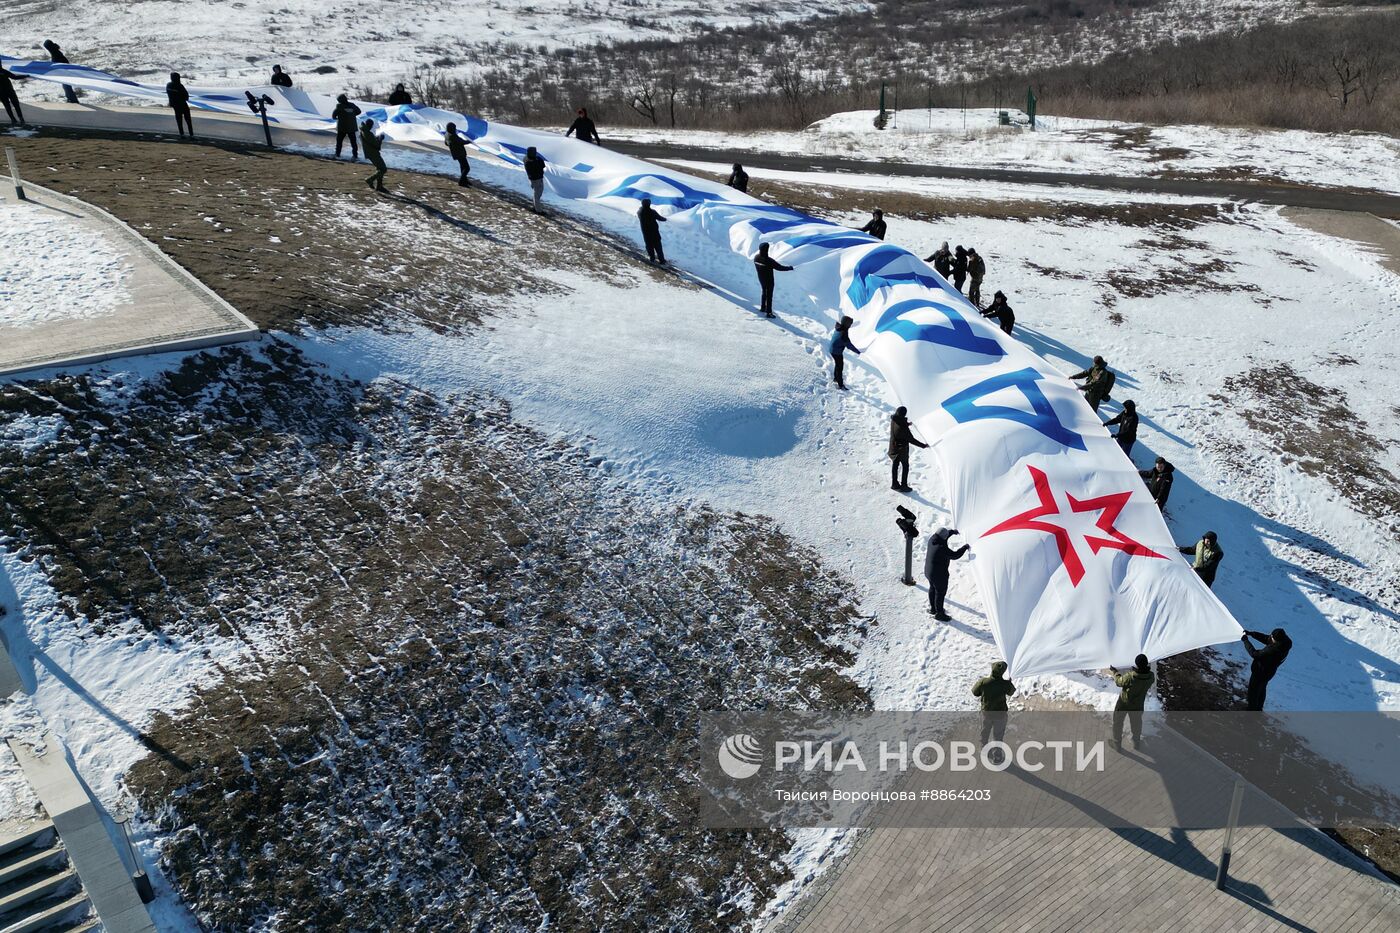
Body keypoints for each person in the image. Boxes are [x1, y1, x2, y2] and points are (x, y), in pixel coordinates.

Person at [1110, 654, 1154, 750]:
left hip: (1123, 703)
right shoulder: (1151, 676)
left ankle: (1117, 744)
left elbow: (1119, 682)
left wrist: (1115, 672)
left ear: (1137, 665)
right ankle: (1136, 742)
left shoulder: (1131, 676)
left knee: (1118, 722)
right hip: (1138, 705)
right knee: (1136, 724)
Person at [972, 660, 1016, 757]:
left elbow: (975, 692)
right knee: (998, 735)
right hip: (1000, 715)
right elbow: (1011, 692)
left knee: (985, 731)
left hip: (986, 714)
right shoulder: (1005, 684)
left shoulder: (983, 682)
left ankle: (984, 748)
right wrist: (1009, 683)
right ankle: (997, 754)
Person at [925, 527, 969, 621]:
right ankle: (940, 614)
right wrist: (964, 547)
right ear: (943, 538)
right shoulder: (941, 548)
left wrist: (952, 532)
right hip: (938, 575)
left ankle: (933, 609)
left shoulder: (933, 538)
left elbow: (944, 535)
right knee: (940, 593)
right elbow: (955, 555)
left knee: (932, 588)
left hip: (929, 571)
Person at [1241, 629, 1291, 711]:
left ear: (1275, 639)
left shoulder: (1273, 650)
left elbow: (1255, 654)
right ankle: (1259, 708)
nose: (1270, 637)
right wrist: (1252, 633)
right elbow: (1267, 639)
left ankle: (1251, 710)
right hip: (1269, 672)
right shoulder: (1286, 642)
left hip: (1260, 673)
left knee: (1253, 692)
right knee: (1262, 689)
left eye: (1271, 636)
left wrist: (1246, 641)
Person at [888, 406, 928, 492]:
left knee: (895, 464)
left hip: (893, 446)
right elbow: (911, 439)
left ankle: (894, 484)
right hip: (901, 449)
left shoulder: (894, 419)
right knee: (905, 466)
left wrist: (907, 424)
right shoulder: (903, 428)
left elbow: (900, 423)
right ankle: (904, 486)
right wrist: (923, 446)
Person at [753, 243, 792, 317]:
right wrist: (790, 268)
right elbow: (780, 268)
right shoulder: (769, 260)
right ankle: (769, 313)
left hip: (761, 279)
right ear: (767, 250)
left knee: (764, 292)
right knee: (769, 295)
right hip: (769, 280)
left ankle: (763, 308)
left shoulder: (756, 257)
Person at [829, 316, 861, 389]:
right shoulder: (843, 333)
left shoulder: (840, 327)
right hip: (836, 352)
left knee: (837, 365)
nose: (850, 325)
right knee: (840, 367)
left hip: (833, 349)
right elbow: (849, 345)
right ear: (846, 324)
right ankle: (840, 385)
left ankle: (836, 378)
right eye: (850, 324)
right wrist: (859, 352)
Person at [637, 198, 667, 263]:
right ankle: (662, 260)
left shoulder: (639, 212)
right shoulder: (652, 212)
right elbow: (661, 218)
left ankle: (652, 258)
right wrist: (666, 219)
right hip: (655, 233)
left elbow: (640, 210)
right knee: (658, 247)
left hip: (646, 233)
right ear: (649, 204)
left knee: (649, 246)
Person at [360, 118, 387, 192]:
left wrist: (377, 138)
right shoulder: (367, 133)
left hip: (371, 152)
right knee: (383, 169)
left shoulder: (364, 131)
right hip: (373, 153)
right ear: (370, 125)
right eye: (371, 125)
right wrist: (380, 139)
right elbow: (377, 146)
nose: (372, 127)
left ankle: (379, 186)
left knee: (379, 168)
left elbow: (372, 141)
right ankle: (370, 180)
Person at [333, 94, 361, 159]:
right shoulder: (352, 105)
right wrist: (352, 114)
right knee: (353, 143)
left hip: (342, 127)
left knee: (339, 142)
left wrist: (338, 117)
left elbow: (334, 115)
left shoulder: (339, 106)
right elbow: (359, 111)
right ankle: (355, 155)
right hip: (352, 127)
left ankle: (337, 154)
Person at [166, 72, 193, 138]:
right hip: (182, 104)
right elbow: (186, 96)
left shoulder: (169, 85)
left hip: (175, 105)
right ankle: (191, 134)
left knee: (179, 120)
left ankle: (182, 134)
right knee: (188, 120)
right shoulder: (179, 86)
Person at [445, 122, 471, 187]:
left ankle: (465, 180)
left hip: (456, 153)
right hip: (460, 153)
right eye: (454, 128)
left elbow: (446, 143)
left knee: (463, 167)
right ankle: (461, 182)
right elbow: (461, 142)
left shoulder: (447, 134)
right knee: (467, 168)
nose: (455, 129)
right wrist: (469, 141)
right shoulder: (452, 136)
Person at [524, 146, 547, 212]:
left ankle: (535, 207)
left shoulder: (526, 159)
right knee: (537, 195)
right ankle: (538, 210)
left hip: (532, 179)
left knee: (536, 194)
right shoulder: (537, 161)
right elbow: (542, 165)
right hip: (537, 180)